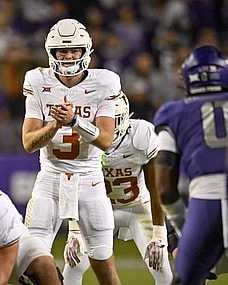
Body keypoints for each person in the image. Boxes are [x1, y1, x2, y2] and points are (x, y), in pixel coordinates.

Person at [21, 18, 121, 284]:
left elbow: (106, 141)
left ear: (85, 51)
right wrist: (56, 124)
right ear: (51, 53)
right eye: (62, 51)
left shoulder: (105, 82)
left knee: (104, 264)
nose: (68, 56)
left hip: (89, 179)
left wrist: (75, 121)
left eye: (74, 50)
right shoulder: (37, 80)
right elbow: (29, 143)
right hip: (50, 179)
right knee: (32, 260)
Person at [62, 93, 174, 284]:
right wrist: (73, 231)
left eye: (114, 120)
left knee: (161, 264)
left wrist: (159, 235)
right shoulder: (81, 138)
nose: (109, 127)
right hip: (96, 210)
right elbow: (73, 185)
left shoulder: (143, 135)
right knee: (74, 261)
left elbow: (155, 188)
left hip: (137, 207)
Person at [153, 45, 228, 284]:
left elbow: (164, 188)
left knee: (185, 279)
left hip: (207, 200)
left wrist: (182, 226)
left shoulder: (174, 112)